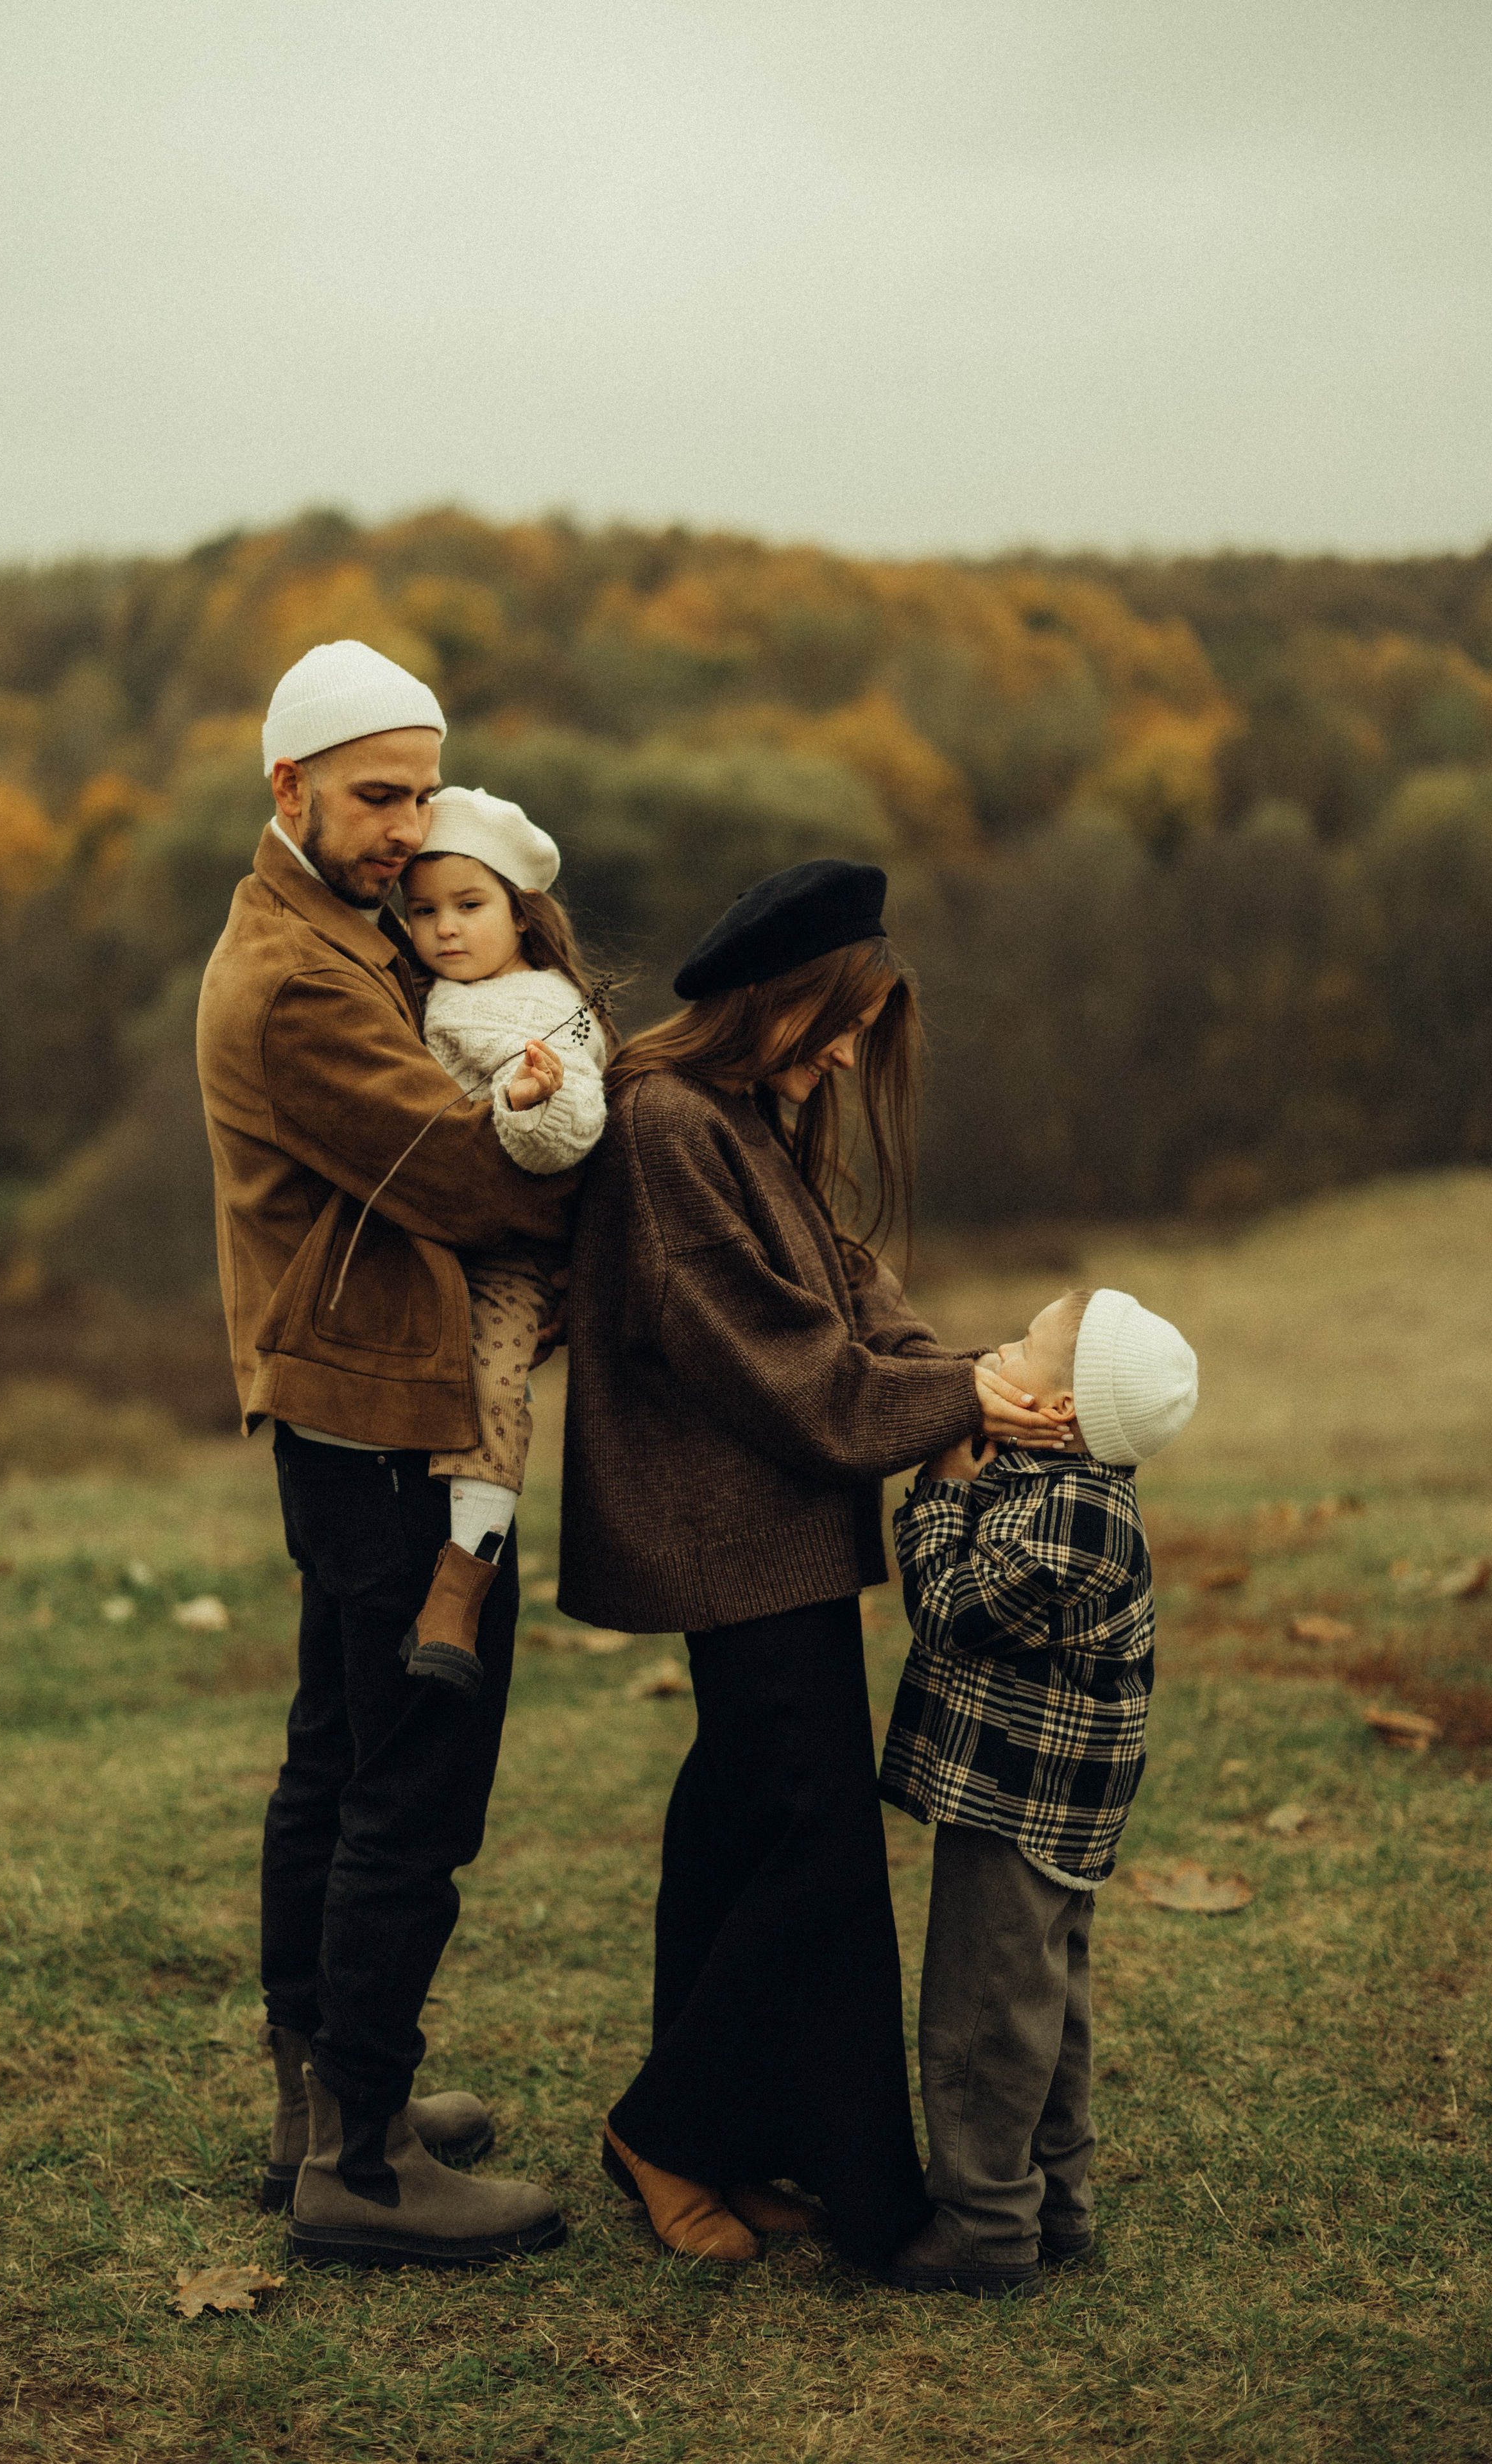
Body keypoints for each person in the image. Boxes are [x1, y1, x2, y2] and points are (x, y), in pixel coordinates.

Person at [558, 858, 1077, 2271]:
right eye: (834, 1021)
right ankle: (669, 2132)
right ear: (773, 1001)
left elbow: (844, 1290)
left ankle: (762, 2152)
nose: (849, 1052)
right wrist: (953, 1397)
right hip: (723, 1535)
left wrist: (962, 1376)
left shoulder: (742, 1116)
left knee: (742, 1835)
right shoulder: (664, 1122)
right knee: (817, 1862)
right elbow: (766, 1359)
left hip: (769, 1533)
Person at [196, 638, 581, 2268]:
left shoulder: (338, 934)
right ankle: (362, 2160)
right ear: (287, 787)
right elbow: (474, 1183)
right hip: (387, 1425)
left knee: (335, 1759)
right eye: (374, 793)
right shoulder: (297, 979)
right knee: (407, 1785)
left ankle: (322, 2109)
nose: (404, 824)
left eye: (420, 790)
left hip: (359, 1408)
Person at [879, 1287, 1198, 2297]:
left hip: (1022, 1799)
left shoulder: (1076, 1518)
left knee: (986, 2013)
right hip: (1046, 1799)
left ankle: (984, 2222)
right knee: (1043, 2005)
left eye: (1018, 1345)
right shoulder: (1064, 1477)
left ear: (1059, 1412)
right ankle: (1057, 2205)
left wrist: (934, 1484)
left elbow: (948, 1612)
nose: (997, 1348)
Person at [400, 784, 610, 1695]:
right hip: (440, 1236)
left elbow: (576, 1117)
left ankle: (460, 1584)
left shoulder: (539, 1010)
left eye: (469, 905)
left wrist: (526, 1108)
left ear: (522, 917)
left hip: (517, 1253)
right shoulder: (439, 997)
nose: (445, 929)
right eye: (424, 911)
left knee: (493, 1388)